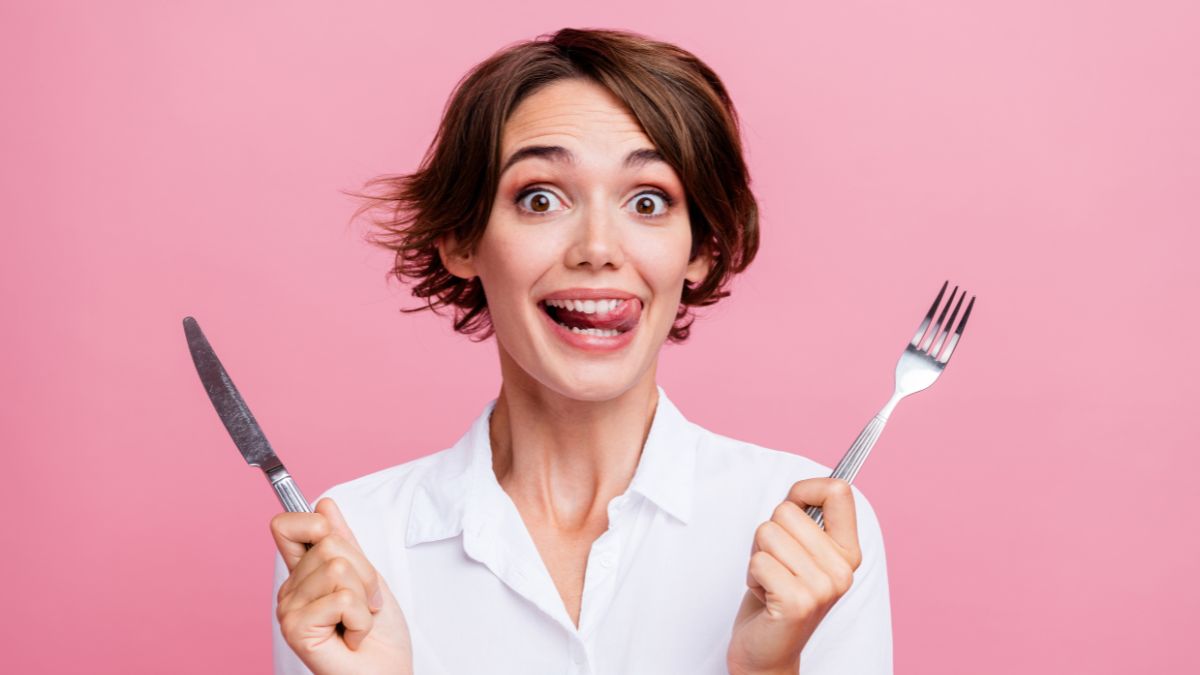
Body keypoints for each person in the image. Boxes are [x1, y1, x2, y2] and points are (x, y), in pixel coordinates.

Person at [270, 27, 892, 675]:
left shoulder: (815, 533)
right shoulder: (352, 543)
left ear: (701, 249)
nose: (598, 246)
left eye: (647, 201)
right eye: (541, 198)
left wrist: (769, 669)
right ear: (462, 238)